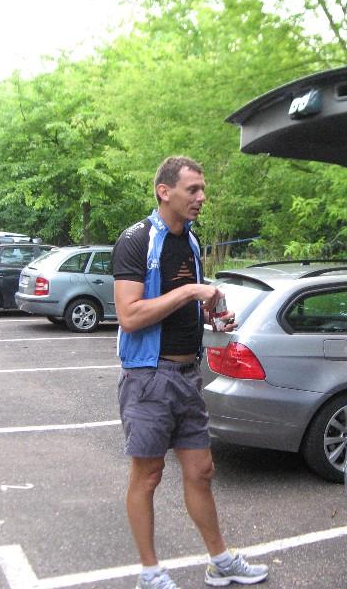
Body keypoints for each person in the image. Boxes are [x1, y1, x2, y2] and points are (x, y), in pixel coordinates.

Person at [112, 156, 269, 589]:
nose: (201, 197)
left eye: (202, 189)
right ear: (164, 192)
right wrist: (189, 292)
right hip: (148, 376)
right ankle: (150, 573)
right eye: (193, 189)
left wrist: (212, 318)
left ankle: (220, 562)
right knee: (147, 476)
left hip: (187, 375)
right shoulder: (136, 240)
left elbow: (185, 308)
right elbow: (129, 315)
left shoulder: (192, 242)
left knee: (201, 471)